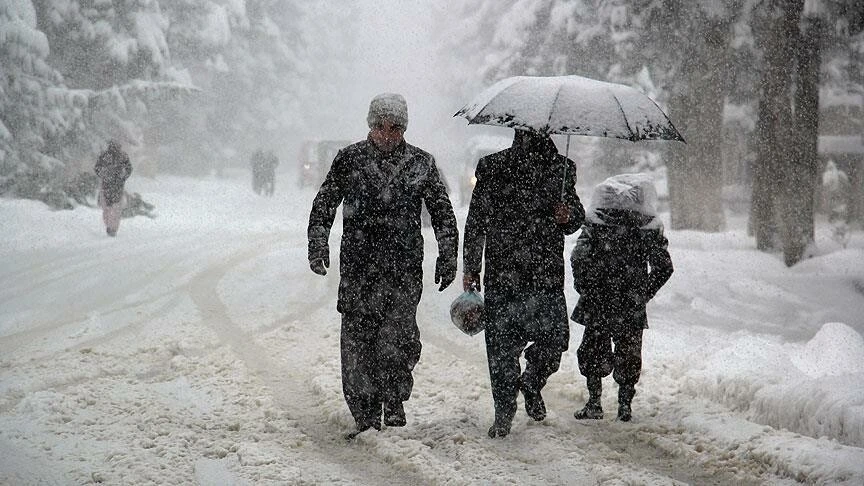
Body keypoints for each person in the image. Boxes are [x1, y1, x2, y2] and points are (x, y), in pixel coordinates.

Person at [307, 93, 459, 438]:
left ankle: (393, 396)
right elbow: (325, 203)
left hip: (403, 270)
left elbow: (443, 212)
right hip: (359, 270)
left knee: (399, 340)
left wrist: (448, 255)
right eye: (380, 126)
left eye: (395, 127)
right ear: (370, 125)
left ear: (404, 129)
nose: (387, 133)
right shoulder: (350, 160)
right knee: (357, 346)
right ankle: (365, 414)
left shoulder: (421, 164)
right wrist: (317, 245)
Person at [462, 129, 585, 438]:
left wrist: (567, 215)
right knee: (501, 349)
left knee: (554, 340)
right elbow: (477, 220)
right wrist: (471, 266)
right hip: (504, 273)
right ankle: (504, 412)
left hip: (545, 274)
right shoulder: (493, 167)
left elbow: (576, 216)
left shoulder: (561, 169)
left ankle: (532, 380)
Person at [570, 174, 673, 422]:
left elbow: (578, 258)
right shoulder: (647, 227)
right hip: (630, 302)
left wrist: (585, 287)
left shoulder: (596, 222)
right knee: (629, 353)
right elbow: (664, 267)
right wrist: (643, 293)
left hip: (598, 298)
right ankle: (624, 405)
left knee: (593, 351)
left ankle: (594, 402)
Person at [94, 140, 132, 237]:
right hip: (117, 184)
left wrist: (103, 176)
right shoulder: (123, 156)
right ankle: (113, 227)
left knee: (107, 207)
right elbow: (129, 169)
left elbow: (97, 168)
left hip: (107, 184)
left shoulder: (105, 155)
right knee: (115, 207)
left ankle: (109, 225)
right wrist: (123, 177)